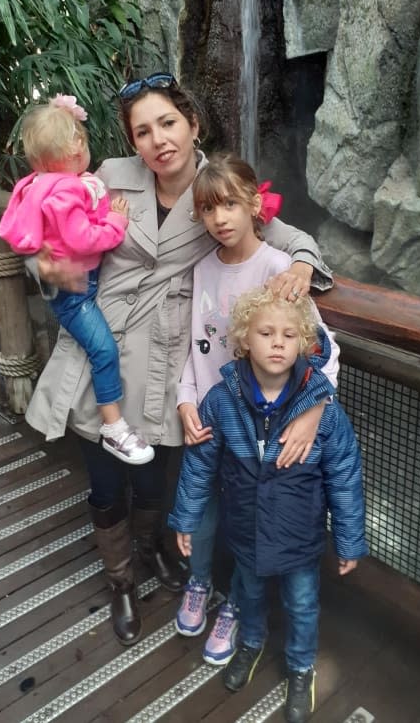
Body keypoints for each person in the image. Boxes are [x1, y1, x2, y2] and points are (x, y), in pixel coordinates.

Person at [24, 73, 334, 649]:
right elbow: (45, 233)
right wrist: (44, 271)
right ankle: (120, 581)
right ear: (130, 141)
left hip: (168, 355)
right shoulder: (109, 176)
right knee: (105, 478)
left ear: (193, 125)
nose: (157, 140)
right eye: (142, 131)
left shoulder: (218, 190)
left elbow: (289, 234)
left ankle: (151, 552)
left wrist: (301, 266)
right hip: (105, 349)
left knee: (151, 475)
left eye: (168, 123)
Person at [169, 286, 367, 723]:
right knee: (250, 595)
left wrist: (350, 540)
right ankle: (251, 645)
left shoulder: (324, 411)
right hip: (245, 528)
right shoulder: (222, 400)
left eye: (288, 335)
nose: (277, 343)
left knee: (301, 604)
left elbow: (345, 476)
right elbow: (200, 464)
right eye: (265, 333)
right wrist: (185, 517)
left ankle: (300, 668)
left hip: (299, 537)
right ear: (243, 340)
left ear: (302, 343)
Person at [174, 152, 341, 668]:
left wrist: (312, 413)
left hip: (261, 430)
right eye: (208, 209)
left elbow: (325, 354)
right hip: (210, 420)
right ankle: (199, 584)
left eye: (228, 204)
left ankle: (239, 610)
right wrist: (184, 399)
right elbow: (194, 345)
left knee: (249, 524)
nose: (220, 218)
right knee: (199, 516)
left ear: (253, 204)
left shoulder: (278, 269)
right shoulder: (201, 269)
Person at [0, 94, 153, 465]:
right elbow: (81, 237)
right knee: (103, 352)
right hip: (77, 292)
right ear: (76, 147)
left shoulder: (42, 183)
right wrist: (115, 223)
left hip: (78, 287)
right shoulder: (66, 189)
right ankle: (114, 428)